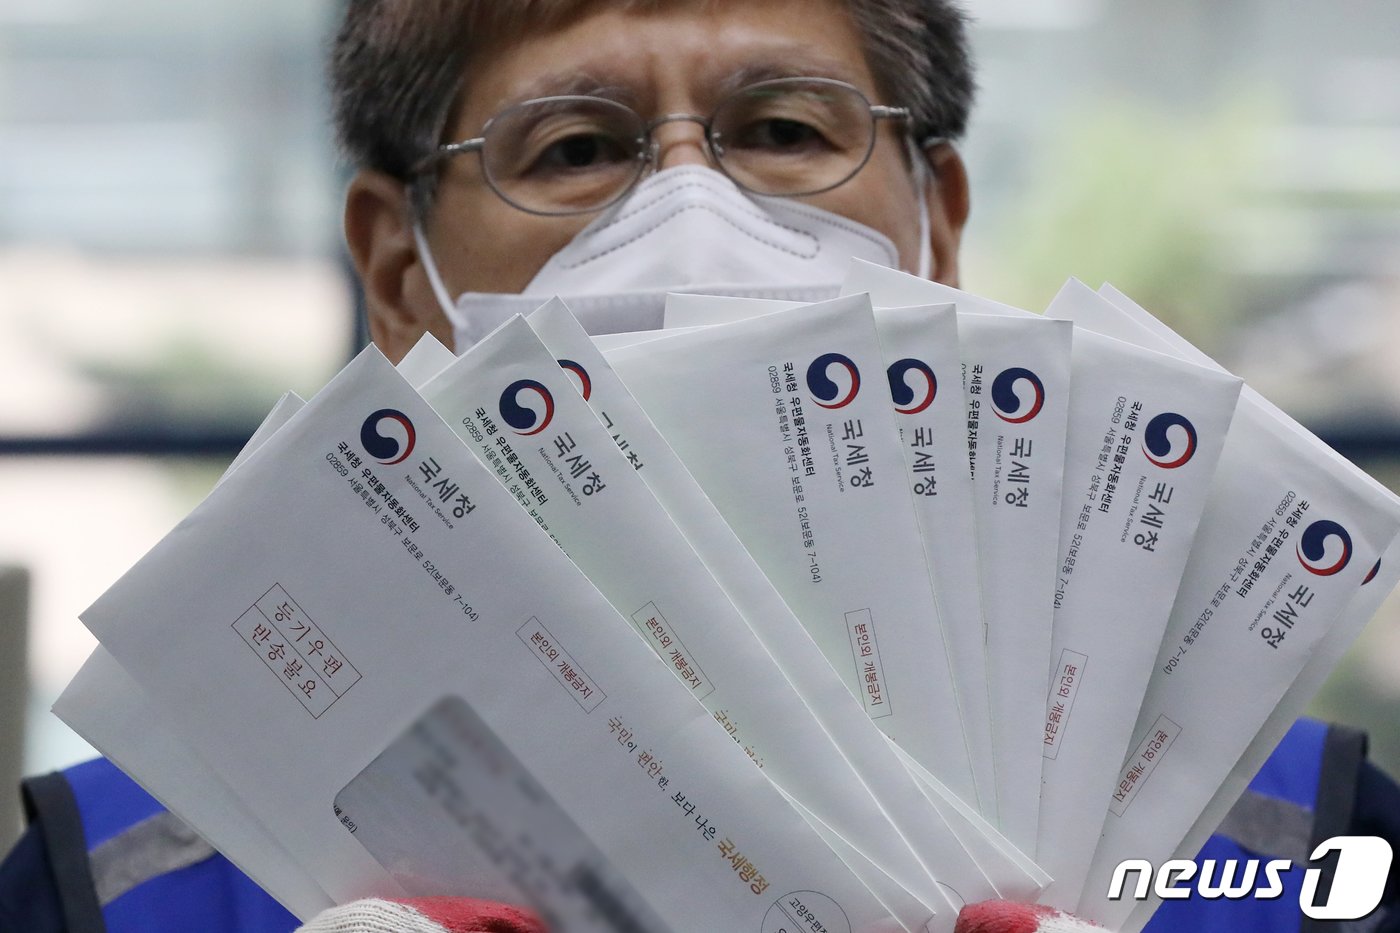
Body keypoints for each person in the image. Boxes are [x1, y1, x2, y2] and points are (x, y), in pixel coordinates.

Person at [2, 2, 1398, 931]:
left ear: (939, 219)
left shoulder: (1292, 838)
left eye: (787, 132)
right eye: (575, 148)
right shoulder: (124, 876)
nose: (692, 212)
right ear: (398, 272)